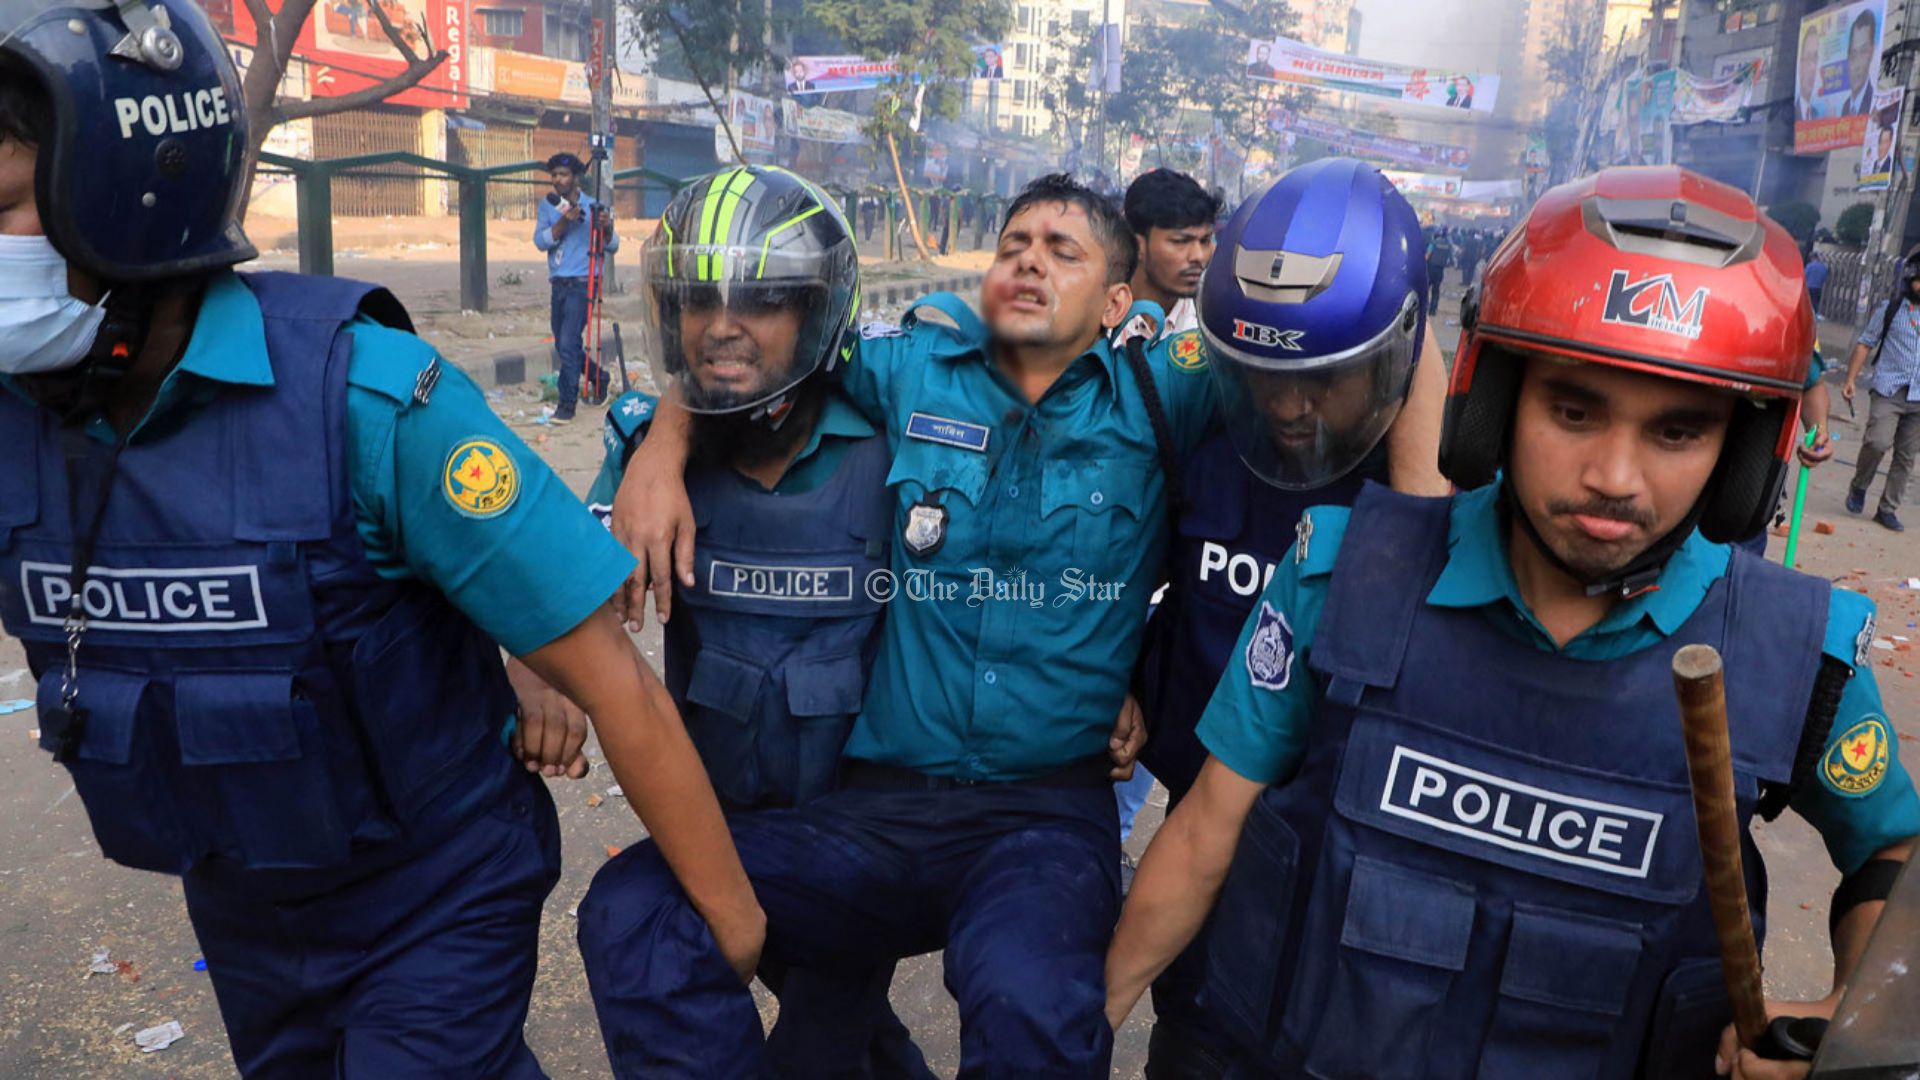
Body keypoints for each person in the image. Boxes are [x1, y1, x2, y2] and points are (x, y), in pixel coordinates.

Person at [0, 3, 762, 1076]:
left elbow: (616, 683)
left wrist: (734, 928)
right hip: (245, 906)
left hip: (437, 889)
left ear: (132, 204)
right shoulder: (15, 422)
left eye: (3, 208)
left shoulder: (368, 404)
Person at [1105, 166, 1920, 1080]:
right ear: (1494, 400)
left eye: (1677, 432)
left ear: (1740, 457)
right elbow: (1206, 827)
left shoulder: (1798, 657)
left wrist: (1857, 1017)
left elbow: (1894, 847)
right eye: (1574, 410)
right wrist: (1089, 1021)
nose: (1614, 476)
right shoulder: (1340, 575)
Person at [588, 173, 1216, 1076]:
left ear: (1120, 300)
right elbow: (753, 348)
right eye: (1013, 246)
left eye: (1062, 250)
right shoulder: (907, 370)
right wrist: (664, 444)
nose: (1029, 261)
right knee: (634, 906)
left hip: (1040, 818)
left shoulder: (1162, 397)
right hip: (876, 815)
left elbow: (1299, 367)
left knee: (1033, 1008)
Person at [1128, 157, 1451, 1078]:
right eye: (1259, 372)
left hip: (1350, 867)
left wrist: (1417, 443)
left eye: (1323, 378)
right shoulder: (1203, 423)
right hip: (1202, 830)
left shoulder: (1453, 469)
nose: (1286, 406)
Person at [534, 151, 619, 424]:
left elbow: (613, 245)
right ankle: (599, 377)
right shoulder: (548, 206)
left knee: (569, 342)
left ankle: (567, 405)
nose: (558, 180)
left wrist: (605, 228)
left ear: (576, 178)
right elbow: (541, 241)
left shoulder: (595, 207)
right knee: (563, 344)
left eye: (564, 175)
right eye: (555, 175)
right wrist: (563, 222)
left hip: (583, 284)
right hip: (558, 284)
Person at [1842, 251, 1920, 532]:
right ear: (1910, 279)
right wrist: (1851, 378)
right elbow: (1865, 343)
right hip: (1889, 389)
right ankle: (1859, 486)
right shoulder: (1891, 308)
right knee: (1877, 442)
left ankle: (1887, 509)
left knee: (1906, 456)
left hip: (1919, 397)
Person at [1122, 168, 1224, 340]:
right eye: (1180, 241)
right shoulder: (1096, 325)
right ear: (1136, 245)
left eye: (1205, 240)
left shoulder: (1216, 327)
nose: (1198, 256)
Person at [1840, 10, 1879, 117]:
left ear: (1872, 52)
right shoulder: (1845, 107)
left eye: (1863, 52)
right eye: (1853, 53)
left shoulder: (1875, 104)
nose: (1857, 65)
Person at [1796, 30, 1827, 122]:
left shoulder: (1817, 115)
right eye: (1809, 57)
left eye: (1815, 58)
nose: (1813, 67)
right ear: (1800, 65)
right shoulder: (1788, 113)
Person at [1424, 226, 1453, 314]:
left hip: (1431, 268)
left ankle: (1424, 308)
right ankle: (1433, 310)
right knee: (1436, 290)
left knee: (1426, 289)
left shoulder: (1433, 243)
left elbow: (1427, 256)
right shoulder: (1448, 245)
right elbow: (1449, 259)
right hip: (1440, 270)